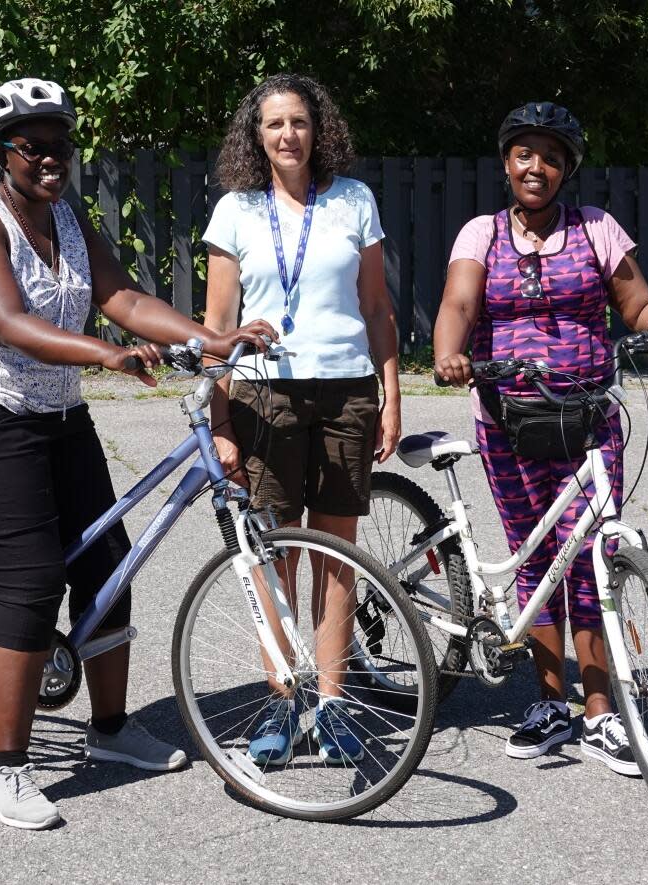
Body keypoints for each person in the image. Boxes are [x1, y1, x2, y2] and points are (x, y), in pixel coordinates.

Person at [0, 78, 275, 829]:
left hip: (56, 412)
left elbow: (125, 299)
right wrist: (103, 356)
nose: (52, 157)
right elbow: (7, 321)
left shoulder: (68, 220)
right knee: (33, 580)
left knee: (108, 561)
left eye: (61, 144)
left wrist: (208, 338)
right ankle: (3, 768)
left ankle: (110, 731)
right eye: (33, 145)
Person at [433, 102, 648, 775]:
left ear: (566, 167)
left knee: (592, 555)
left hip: (589, 421)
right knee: (532, 554)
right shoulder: (481, 234)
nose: (536, 166)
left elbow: (635, 301)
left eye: (551, 156)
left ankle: (602, 709)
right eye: (524, 153)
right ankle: (550, 701)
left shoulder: (599, 228)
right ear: (506, 161)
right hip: (506, 421)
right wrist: (449, 351)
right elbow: (460, 303)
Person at [201, 73, 401, 766]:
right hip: (265, 397)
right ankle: (283, 701)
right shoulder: (236, 210)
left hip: (346, 391)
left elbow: (376, 308)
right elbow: (217, 325)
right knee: (274, 554)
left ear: (319, 131)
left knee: (336, 556)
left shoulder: (354, 201)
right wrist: (220, 416)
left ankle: (337, 704)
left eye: (299, 123)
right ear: (256, 136)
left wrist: (392, 394)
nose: (288, 135)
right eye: (274, 124)